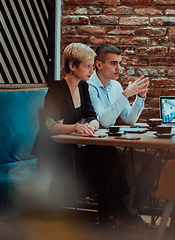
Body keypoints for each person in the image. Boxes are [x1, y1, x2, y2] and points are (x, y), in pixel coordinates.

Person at [31, 43, 132, 227]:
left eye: (92, 66)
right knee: (103, 158)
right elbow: (50, 125)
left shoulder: (84, 87)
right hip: (54, 154)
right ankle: (118, 214)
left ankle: (110, 217)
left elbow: (93, 117)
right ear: (72, 66)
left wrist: (91, 125)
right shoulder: (57, 89)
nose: (92, 70)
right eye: (87, 66)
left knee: (107, 152)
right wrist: (77, 127)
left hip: (72, 149)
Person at [88, 44, 160, 225]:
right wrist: (125, 94)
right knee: (133, 163)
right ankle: (119, 214)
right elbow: (103, 121)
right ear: (98, 64)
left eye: (119, 63)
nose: (118, 68)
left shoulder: (115, 86)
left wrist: (140, 97)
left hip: (109, 146)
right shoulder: (89, 87)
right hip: (94, 148)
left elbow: (129, 119)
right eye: (113, 63)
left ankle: (130, 212)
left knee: (153, 162)